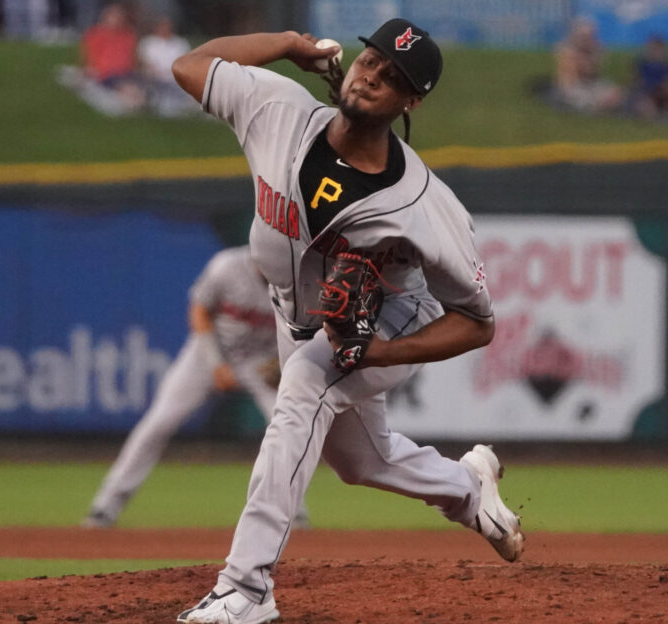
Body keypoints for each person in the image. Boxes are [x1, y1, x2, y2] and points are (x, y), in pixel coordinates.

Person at [169, 18, 524, 624]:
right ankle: (468, 488)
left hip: (385, 322)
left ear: (409, 101)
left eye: (392, 78)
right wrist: (286, 46)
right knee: (361, 461)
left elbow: (477, 322)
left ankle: (247, 588)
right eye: (370, 61)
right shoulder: (277, 109)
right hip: (295, 314)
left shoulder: (423, 205)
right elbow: (190, 66)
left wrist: (381, 353)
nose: (371, 77)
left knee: (305, 388)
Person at [83, 245, 307, 530]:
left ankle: (293, 511)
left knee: (288, 428)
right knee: (159, 422)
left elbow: (305, 330)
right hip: (206, 354)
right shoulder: (228, 266)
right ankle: (106, 506)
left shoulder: (299, 280)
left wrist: (282, 362)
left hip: (260, 362)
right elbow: (199, 312)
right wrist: (216, 365)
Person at [552, 17, 622, 114]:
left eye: (590, 35)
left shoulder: (597, 49)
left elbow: (595, 72)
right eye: (584, 36)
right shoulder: (566, 50)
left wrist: (592, 56)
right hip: (574, 85)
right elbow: (574, 74)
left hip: (592, 84)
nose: (588, 39)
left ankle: (601, 105)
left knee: (615, 93)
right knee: (583, 102)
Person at [137, 15, 197, 117]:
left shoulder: (180, 43)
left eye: (167, 25)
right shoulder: (148, 43)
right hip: (155, 79)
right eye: (162, 25)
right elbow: (143, 62)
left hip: (175, 78)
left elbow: (186, 63)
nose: (164, 28)